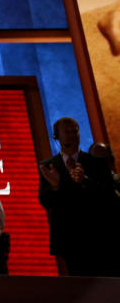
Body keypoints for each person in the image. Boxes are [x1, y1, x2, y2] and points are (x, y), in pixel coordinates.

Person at [39, 117, 120, 276]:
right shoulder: (48, 165)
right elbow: (44, 200)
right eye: (67, 132)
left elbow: (109, 197)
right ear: (56, 136)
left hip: (98, 237)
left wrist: (86, 180)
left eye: (75, 131)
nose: (72, 135)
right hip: (69, 239)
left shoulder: (96, 163)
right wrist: (56, 187)